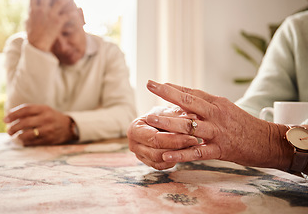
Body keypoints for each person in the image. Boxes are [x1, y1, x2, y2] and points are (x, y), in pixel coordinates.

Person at [127, 11, 308, 176]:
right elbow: (254, 107)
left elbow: (251, 132)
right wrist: (178, 124)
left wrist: (274, 142)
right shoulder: (297, 29)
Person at [3, 0, 136, 146]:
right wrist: (38, 47)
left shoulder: (109, 52)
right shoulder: (20, 47)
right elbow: (23, 123)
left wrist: (70, 125)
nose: (63, 47)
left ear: (81, 16)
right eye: (50, 37)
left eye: (67, 32)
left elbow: (126, 114)